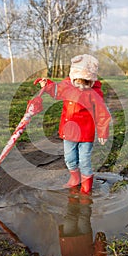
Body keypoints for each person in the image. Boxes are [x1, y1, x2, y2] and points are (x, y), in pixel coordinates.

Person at [35, 54, 111, 195]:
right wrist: (47, 85)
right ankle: (74, 177)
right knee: (69, 158)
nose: (81, 87)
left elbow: (102, 113)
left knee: (84, 160)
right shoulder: (67, 86)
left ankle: (86, 186)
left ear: (92, 80)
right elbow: (56, 91)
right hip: (69, 132)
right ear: (72, 78)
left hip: (86, 133)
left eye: (86, 83)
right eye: (78, 82)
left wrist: (102, 131)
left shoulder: (95, 93)